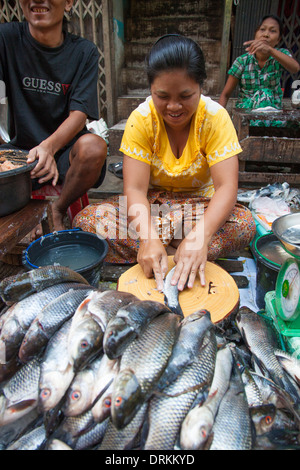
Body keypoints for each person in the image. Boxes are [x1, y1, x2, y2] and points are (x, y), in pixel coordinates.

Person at [74, 35, 256, 292]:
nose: (173, 106)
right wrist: (148, 237)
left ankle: (174, 250)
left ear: (201, 87)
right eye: (162, 96)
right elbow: (135, 191)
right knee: (88, 220)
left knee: (245, 223)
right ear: (150, 89)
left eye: (185, 95)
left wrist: (199, 236)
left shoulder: (216, 118)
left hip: (198, 213)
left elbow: (226, 188)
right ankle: (173, 251)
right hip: (153, 211)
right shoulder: (141, 119)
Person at [0, 0, 107, 235]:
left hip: (64, 154)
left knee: (94, 147)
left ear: (69, 3)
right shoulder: (6, 38)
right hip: (20, 154)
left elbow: (79, 114)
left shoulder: (83, 51)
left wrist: (48, 147)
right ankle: (21, 217)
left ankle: (57, 211)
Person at [219, 15, 300, 111]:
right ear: (255, 34)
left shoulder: (280, 55)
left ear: (278, 40)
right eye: (262, 29)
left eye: (272, 31)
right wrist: (218, 120)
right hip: (246, 114)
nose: (266, 34)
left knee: (265, 95)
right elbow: (225, 94)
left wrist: (270, 50)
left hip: (272, 112)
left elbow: (295, 68)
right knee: (262, 95)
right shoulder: (242, 61)